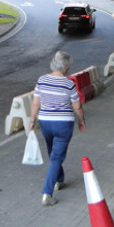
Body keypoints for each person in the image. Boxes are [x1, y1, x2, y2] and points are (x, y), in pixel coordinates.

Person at [27, 50, 86, 206]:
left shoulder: (42, 80)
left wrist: (32, 120)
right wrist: (81, 121)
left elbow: (35, 103)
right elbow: (77, 106)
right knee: (56, 157)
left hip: (45, 122)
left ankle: (59, 180)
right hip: (63, 124)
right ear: (65, 67)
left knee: (53, 154)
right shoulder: (69, 83)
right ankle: (47, 193)